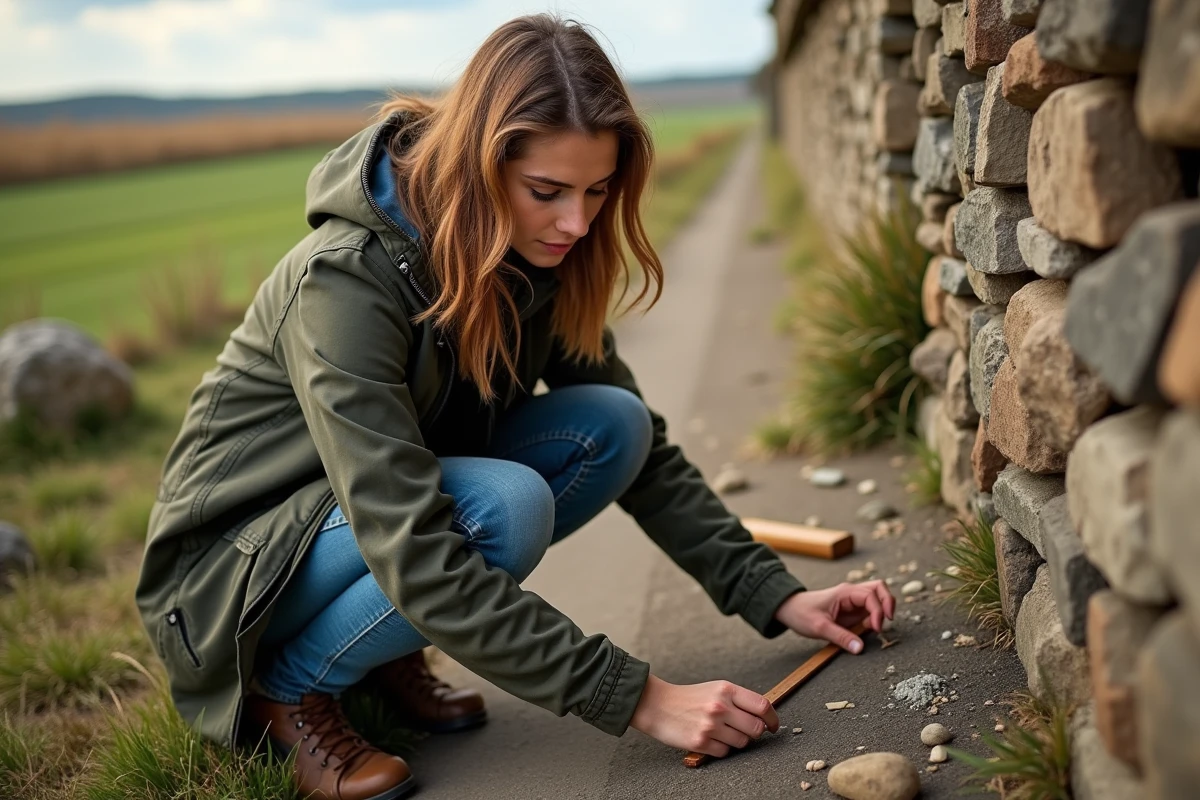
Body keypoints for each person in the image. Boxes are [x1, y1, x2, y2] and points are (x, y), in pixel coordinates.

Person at [134, 13, 895, 800]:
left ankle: (382, 650)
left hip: (360, 525)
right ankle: (283, 689)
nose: (577, 221)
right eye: (547, 191)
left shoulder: (533, 253)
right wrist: (639, 697)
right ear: (479, 166)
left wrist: (776, 596)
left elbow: (648, 457)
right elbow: (414, 541)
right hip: (229, 580)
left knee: (613, 426)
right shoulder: (344, 282)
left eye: (597, 191)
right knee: (503, 506)